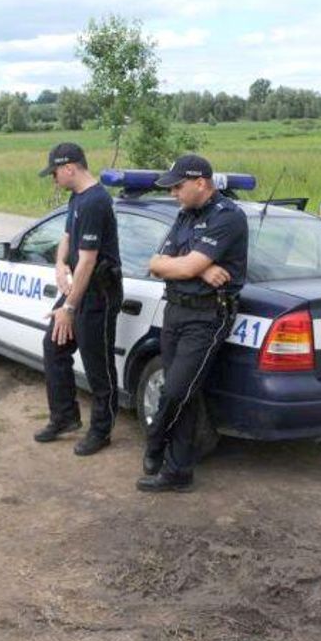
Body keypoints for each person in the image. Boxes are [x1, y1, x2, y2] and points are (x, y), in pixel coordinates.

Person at [139, 154, 248, 493]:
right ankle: (179, 471)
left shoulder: (228, 216)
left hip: (207, 315)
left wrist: (188, 265)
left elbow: (179, 267)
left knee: (176, 390)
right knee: (184, 394)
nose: (173, 193)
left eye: (178, 186)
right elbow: (155, 263)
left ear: (201, 182)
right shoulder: (185, 215)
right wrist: (199, 267)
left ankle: (155, 441)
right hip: (175, 310)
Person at [34, 143, 123, 456]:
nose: (53, 178)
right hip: (78, 290)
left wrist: (68, 308)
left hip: (98, 294)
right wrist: (59, 264)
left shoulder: (96, 201)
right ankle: (65, 417)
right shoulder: (77, 198)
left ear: (70, 167)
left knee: (98, 365)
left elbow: (87, 261)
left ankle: (101, 430)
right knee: (53, 346)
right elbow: (67, 237)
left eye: (55, 172)